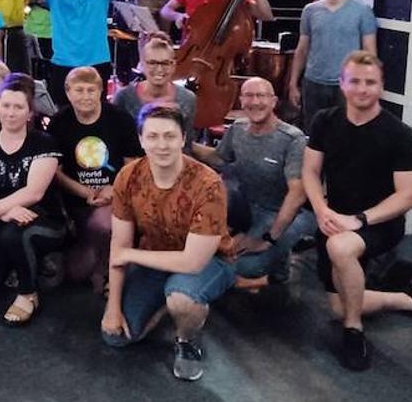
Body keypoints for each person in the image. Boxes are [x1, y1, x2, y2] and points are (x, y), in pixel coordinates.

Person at [301, 51, 412, 371]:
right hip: (334, 218)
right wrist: (321, 210)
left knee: (340, 247)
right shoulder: (325, 121)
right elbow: (310, 172)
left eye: (370, 82)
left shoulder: (400, 134)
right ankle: (406, 299)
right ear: (342, 84)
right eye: (354, 81)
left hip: (380, 221)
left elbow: (407, 196)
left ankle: (353, 331)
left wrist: (360, 220)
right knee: (338, 306)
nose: (362, 89)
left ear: (381, 86)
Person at [101, 104, 236, 382]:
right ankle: (166, 303)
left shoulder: (208, 183)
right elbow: (119, 246)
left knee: (182, 298)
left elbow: (193, 262)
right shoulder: (128, 177)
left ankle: (187, 338)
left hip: (210, 261)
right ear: (141, 139)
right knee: (117, 337)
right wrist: (112, 308)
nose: (161, 145)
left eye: (170, 136)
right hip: (155, 257)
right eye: (152, 136)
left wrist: (131, 255)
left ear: (183, 138)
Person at [0, 74, 66, 326]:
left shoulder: (44, 142)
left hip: (41, 215)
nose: (11, 113)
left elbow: (34, 193)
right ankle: (30, 264)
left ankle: (28, 294)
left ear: (29, 113)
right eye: (6, 105)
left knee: (14, 234)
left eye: (18, 107)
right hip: (2, 214)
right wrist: (1, 212)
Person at [48, 68, 141, 295]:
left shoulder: (120, 119)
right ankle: (95, 252)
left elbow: (134, 165)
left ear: (101, 91)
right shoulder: (58, 123)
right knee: (75, 273)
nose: (85, 96)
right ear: (68, 92)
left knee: (102, 225)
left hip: (115, 196)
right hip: (77, 200)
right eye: (79, 90)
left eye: (91, 90)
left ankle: (107, 270)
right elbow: (55, 172)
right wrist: (86, 193)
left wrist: (113, 190)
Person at [217, 78, 313, 287]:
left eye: (261, 96)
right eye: (249, 96)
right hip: (244, 208)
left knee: (247, 266)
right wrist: (182, 147)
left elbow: (297, 194)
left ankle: (280, 265)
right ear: (241, 101)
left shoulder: (292, 139)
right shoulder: (237, 128)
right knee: (216, 253)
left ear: (274, 101)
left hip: (278, 212)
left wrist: (268, 239)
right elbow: (218, 158)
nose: (255, 102)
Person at [287, 0, 377, 130]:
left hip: (348, 84)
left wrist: (368, 84)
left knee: (346, 133)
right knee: (314, 132)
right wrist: (293, 84)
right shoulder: (310, 10)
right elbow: (302, 50)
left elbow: (369, 51)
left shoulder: (362, 11)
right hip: (313, 84)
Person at [111, 34, 214, 165]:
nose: (159, 69)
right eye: (152, 63)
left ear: (173, 65)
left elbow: (186, 148)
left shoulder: (187, 99)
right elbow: (115, 146)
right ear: (142, 64)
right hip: (132, 169)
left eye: (165, 63)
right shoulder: (124, 98)